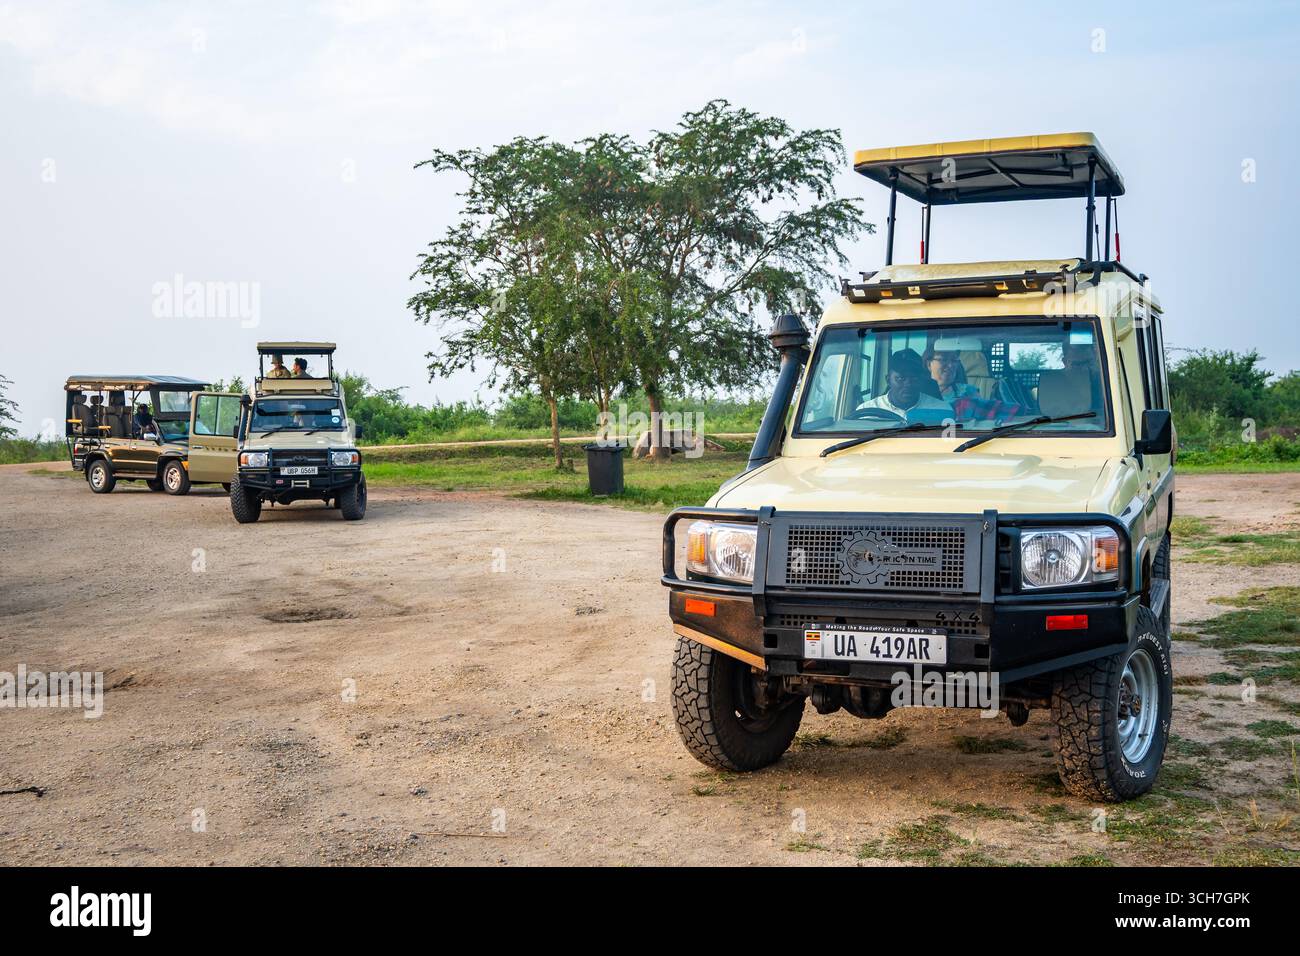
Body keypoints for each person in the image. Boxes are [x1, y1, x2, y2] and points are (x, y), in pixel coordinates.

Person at [859, 348, 952, 418]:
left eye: (914, 378)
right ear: (888, 380)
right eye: (900, 378)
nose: (908, 384)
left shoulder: (942, 410)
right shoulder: (865, 412)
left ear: (921, 380)